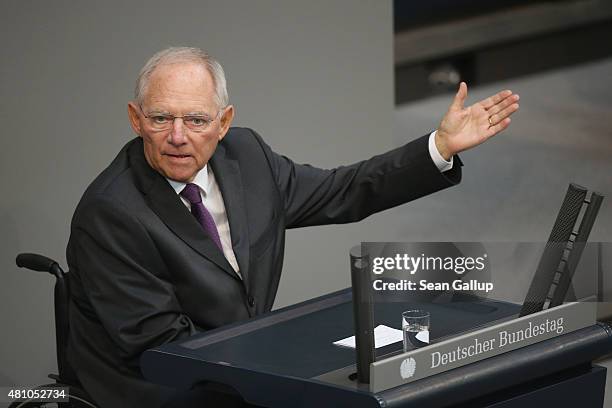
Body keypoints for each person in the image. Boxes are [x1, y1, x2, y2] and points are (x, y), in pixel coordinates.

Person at [65, 46, 519, 408]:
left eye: (197, 119)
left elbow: (342, 191)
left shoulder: (247, 157)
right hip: (162, 391)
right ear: (135, 119)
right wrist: (287, 367)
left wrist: (438, 147)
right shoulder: (111, 214)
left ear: (224, 123)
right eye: (161, 118)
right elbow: (165, 351)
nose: (178, 136)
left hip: (234, 369)